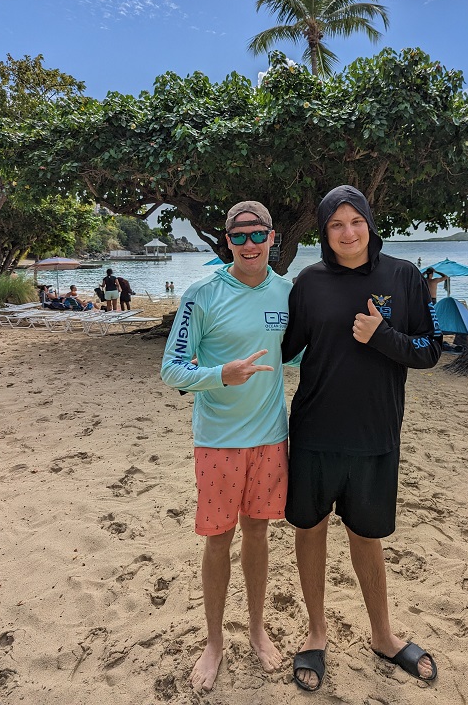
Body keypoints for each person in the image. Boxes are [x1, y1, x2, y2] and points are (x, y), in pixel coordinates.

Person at [281, 185, 442, 692]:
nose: (348, 232)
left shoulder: (403, 276)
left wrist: (384, 337)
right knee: (310, 529)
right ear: (324, 232)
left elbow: (430, 349)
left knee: (366, 536)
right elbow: (282, 347)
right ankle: (316, 631)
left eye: (356, 221)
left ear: (369, 222)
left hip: (376, 435)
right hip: (314, 434)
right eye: (336, 224)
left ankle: (383, 634)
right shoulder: (308, 282)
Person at [161, 200, 292, 692]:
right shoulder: (202, 293)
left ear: (273, 237)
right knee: (219, 540)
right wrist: (221, 374)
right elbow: (172, 369)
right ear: (227, 241)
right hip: (217, 442)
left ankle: (257, 628)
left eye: (258, 234)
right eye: (239, 237)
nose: (249, 244)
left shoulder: (287, 292)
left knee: (258, 534)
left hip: (270, 438)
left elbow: (299, 349)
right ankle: (214, 641)